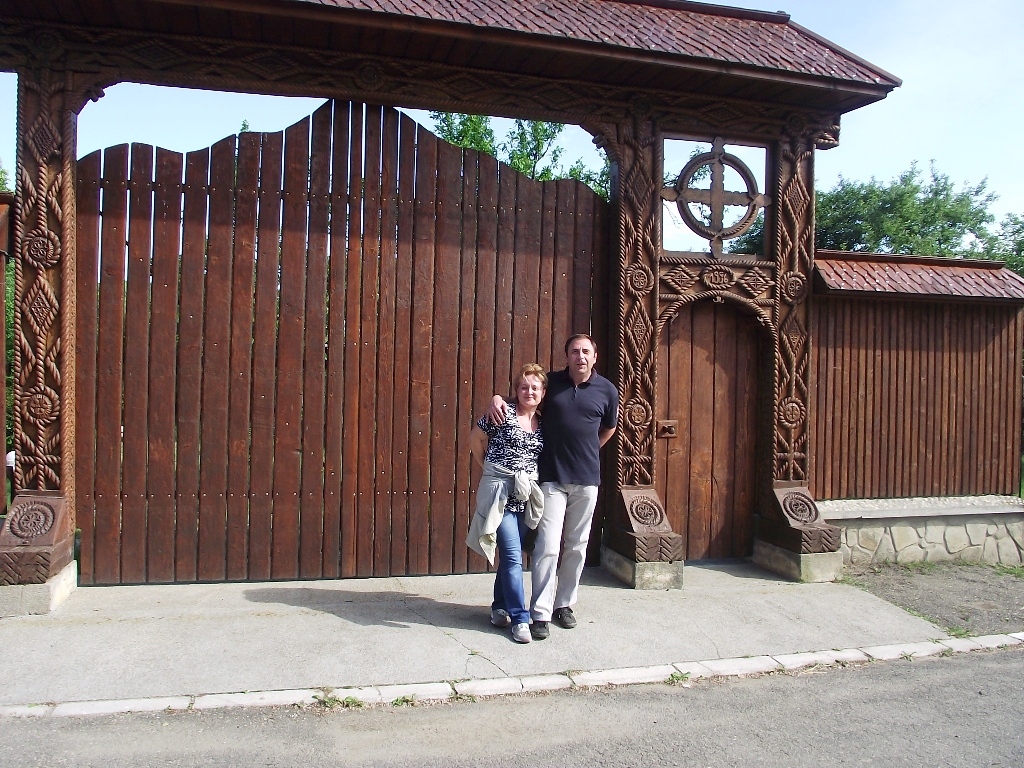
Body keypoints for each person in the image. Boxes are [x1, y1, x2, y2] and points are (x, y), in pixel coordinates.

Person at [489, 334, 618, 640]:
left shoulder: (607, 390)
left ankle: (564, 605)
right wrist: (496, 398)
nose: (580, 356)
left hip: (587, 480)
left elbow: (609, 427)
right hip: (552, 479)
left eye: (585, 351)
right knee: (547, 546)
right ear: (567, 356)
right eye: (575, 351)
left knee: (577, 545)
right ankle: (540, 613)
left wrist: (589, 450)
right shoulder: (553, 383)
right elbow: (526, 397)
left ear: (595, 356)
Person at [467, 363, 547, 644]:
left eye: (535, 387)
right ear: (516, 390)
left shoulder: (543, 422)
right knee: (513, 556)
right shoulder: (502, 413)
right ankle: (520, 618)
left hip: (525, 497)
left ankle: (499, 607)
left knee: (512, 555)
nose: (529, 392)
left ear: (542, 393)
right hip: (499, 496)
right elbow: (476, 438)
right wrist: (489, 469)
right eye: (524, 387)